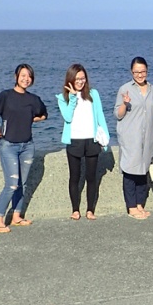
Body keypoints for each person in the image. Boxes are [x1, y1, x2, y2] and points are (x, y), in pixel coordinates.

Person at [0, 63, 48, 233]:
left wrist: (30, 120)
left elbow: (44, 115)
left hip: (27, 146)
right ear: (16, 77)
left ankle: (17, 216)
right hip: (8, 145)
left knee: (21, 183)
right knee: (11, 184)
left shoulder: (33, 99)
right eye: (23, 75)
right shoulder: (6, 96)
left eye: (29, 76)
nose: (26, 79)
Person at [57, 63, 111, 221]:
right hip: (74, 141)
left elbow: (100, 116)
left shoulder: (93, 94)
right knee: (74, 176)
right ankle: (75, 209)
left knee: (92, 177)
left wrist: (105, 139)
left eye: (83, 78)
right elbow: (67, 117)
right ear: (70, 80)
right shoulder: (63, 98)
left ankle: (90, 209)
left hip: (91, 140)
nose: (80, 81)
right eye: (77, 79)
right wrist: (73, 97)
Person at [114, 57, 153, 220]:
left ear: (147, 71)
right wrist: (125, 104)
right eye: (136, 72)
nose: (140, 75)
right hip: (130, 137)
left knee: (143, 171)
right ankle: (131, 206)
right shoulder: (125, 89)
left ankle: (140, 203)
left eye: (143, 71)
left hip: (148, 138)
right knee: (130, 171)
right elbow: (117, 115)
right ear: (131, 72)